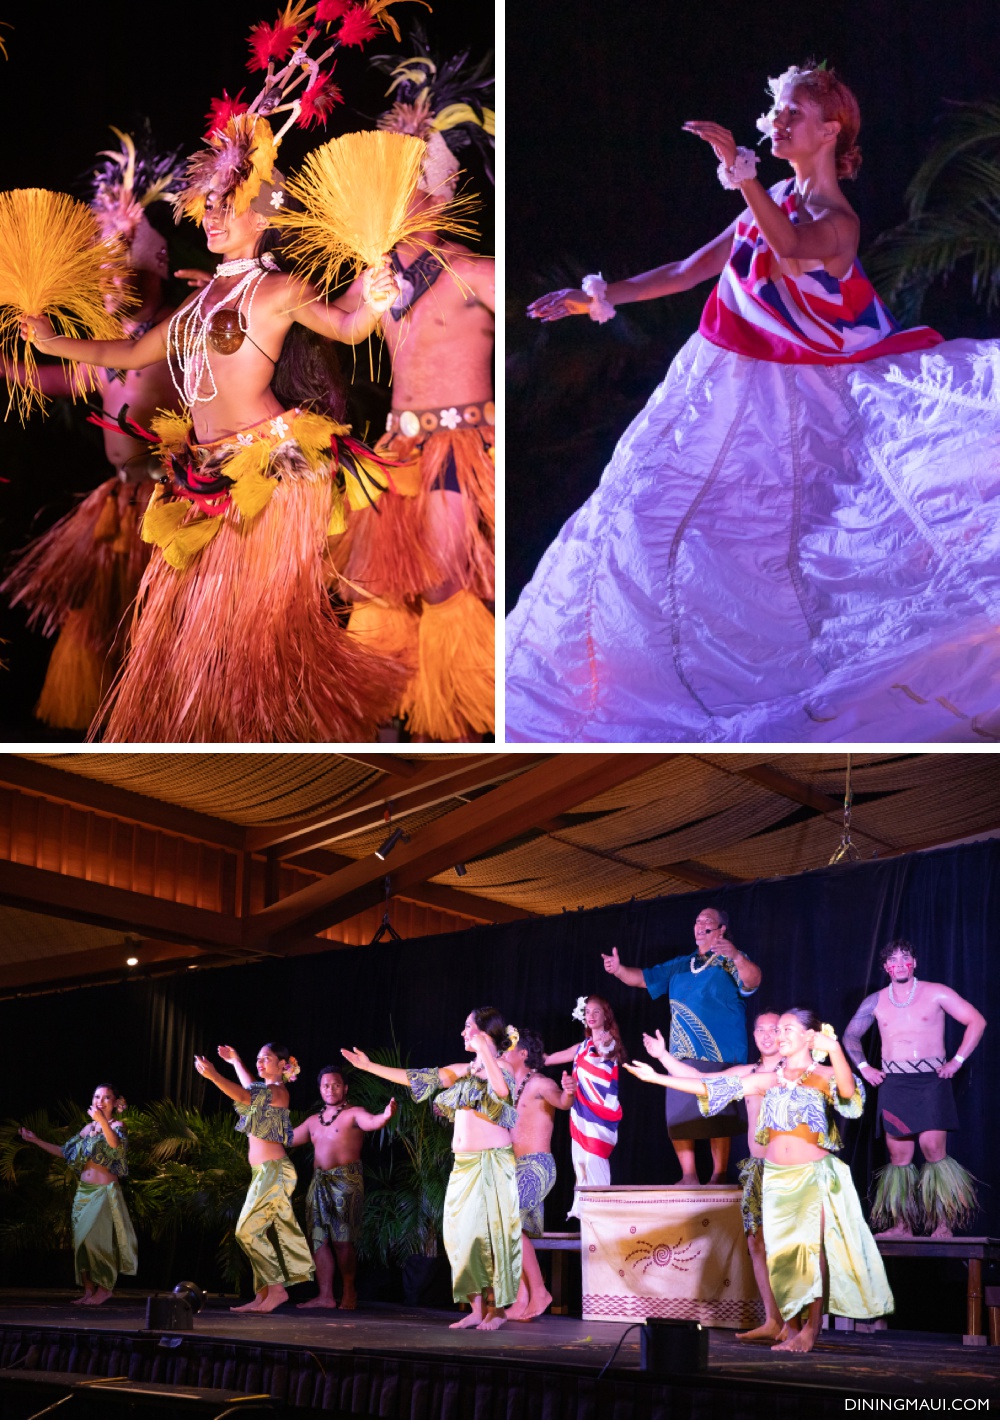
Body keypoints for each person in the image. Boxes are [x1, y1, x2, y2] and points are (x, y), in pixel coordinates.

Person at [507, 61, 1000, 744]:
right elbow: (688, 271)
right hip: (716, 394)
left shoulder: (837, 221)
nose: (776, 122)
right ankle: (631, 682)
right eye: (776, 111)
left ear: (830, 130)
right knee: (643, 522)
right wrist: (595, 298)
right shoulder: (770, 195)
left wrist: (739, 178)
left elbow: (792, 248)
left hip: (796, 411)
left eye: (792, 112)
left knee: (786, 550)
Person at [20, 101, 405, 743]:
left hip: (275, 468)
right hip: (206, 472)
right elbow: (127, 352)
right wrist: (55, 345)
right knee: (211, 631)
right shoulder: (199, 304)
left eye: (228, 201)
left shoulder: (280, 290)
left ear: (262, 213)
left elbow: (348, 326)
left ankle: (309, 731)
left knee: (254, 628)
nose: (214, 213)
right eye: (210, 202)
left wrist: (376, 292)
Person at [340, 32, 496, 742]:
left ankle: (453, 720)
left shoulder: (472, 269)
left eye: (412, 184)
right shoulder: (371, 274)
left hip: (455, 447)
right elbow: (343, 323)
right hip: (392, 452)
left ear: (443, 191)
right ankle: (384, 715)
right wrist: (369, 298)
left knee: (443, 585)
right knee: (373, 590)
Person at [2, 127, 183, 730]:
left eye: (120, 270)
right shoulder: (108, 342)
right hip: (114, 499)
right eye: (105, 274)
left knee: (153, 630)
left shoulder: (180, 331)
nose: (108, 284)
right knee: (94, 623)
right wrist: (8, 368)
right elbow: (66, 380)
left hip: (168, 499)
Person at [626, 1010, 894, 1353]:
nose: (778, 1035)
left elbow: (848, 1095)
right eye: (776, 1029)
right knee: (782, 1257)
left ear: (810, 1036)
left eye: (786, 1029)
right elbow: (713, 1086)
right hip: (776, 1180)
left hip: (813, 1176)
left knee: (812, 1253)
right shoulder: (772, 1077)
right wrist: (656, 1078)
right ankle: (786, 1324)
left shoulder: (824, 1073)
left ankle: (812, 1330)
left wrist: (836, 1049)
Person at [343, 1006, 520, 1331]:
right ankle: (476, 1308)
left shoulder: (503, 1067)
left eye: (468, 1028)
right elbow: (417, 1077)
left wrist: (486, 1053)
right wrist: (371, 1068)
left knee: (491, 1237)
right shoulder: (463, 1070)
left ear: (485, 1033)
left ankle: (498, 1311)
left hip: (491, 1161)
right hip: (464, 1165)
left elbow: (502, 1092)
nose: (463, 1033)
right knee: (460, 1236)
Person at [645, 1012, 786, 1342]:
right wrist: (663, 1057)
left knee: (789, 1246)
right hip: (757, 1169)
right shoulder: (747, 1073)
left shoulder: (793, 1073)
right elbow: (699, 1080)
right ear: (753, 1036)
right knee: (757, 1244)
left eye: (775, 1029)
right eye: (761, 1029)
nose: (767, 1035)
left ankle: (799, 1324)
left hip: (789, 1171)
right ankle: (773, 1320)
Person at [603, 908, 761, 1183]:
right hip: (681, 1053)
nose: (699, 925)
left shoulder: (731, 959)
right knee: (679, 1114)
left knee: (717, 1115)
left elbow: (753, 981)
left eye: (707, 922)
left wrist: (735, 955)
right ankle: (688, 1174)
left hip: (721, 1052)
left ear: (721, 929)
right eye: (697, 920)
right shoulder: (681, 964)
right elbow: (642, 978)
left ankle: (718, 1174)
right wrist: (618, 970)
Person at [844, 939, 986, 1238]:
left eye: (904, 957)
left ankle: (944, 1224)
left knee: (933, 1150)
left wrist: (957, 1060)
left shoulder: (936, 992)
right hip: (895, 1083)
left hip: (930, 1082)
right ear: (885, 967)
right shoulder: (877, 1000)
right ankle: (901, 1225)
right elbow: (850, 1036)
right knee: (899, 1158)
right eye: (892, 960)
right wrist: (864, 1068)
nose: (899, 963)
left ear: (914, 963)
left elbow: (976, 1020)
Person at [194, 1040, 314, 1313]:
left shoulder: (278, 1092)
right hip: (263, 1172)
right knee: (259, 1233)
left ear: (284, 1065)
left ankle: (277, 1291)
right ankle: (263, 1295)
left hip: (275, 1171)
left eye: (266, 1058)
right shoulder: (265, 1090)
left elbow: (245, 1096)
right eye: (258, 1058)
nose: (260, 1062)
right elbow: (250, 1089)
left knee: (247, 1231)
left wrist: (214, 1075)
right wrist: (236, 1060)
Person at [18, 1082, 138, 1306]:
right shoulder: (87, 1129)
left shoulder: (118, 1126)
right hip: (84, 1193)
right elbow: (65, 1152)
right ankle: (89, 1289)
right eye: (96, 1097)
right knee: (82, 1243)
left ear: (115, 1103)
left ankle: (105, 1289)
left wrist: (102, 1121)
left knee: (98, 1242)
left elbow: (115, 1146)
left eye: (106, 1098)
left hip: (104, 1192)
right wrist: (35, 1140)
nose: (99, 1101)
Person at [291, 1064, 397, 1311]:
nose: (331, 1088)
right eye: (326, 1085)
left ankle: (349, 1292)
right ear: (320, 1089)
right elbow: (287, 1138)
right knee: (318, 1240)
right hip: (318, 1183)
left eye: (336, 1084)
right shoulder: (312, 1121)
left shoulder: (354, 1113)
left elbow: (372, 1122)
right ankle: (325, 1295)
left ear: (345, 1088)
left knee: (342, 1240)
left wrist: (385, 1116)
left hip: (345, 1181)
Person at [501, 1026, 574, 1320]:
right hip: (513, 1168)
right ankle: (522, 1298)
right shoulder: (507, 1088)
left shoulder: (541, 1083)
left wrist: (569, 1093)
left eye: (508, 1048)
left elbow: (561, 1101)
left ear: (523, 1054)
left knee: (510, 1225)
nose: (503, 1053)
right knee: (513, 1232)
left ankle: (540, 1292)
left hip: (537, 1165)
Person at [542, 996, 623, 1217]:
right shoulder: (581, 1047)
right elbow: (547, 1059)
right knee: (580, 1161)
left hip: (599, 1115)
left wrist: (603, 1040)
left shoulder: (609, 1042)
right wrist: (524, 1050)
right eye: (588, 1011)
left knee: (593, 1159)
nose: (592, 1015)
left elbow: (607, 1051)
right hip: (580, 1113)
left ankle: (602, 1213)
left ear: (606, 1016)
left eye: (597, 1011)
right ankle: (588, 1215)